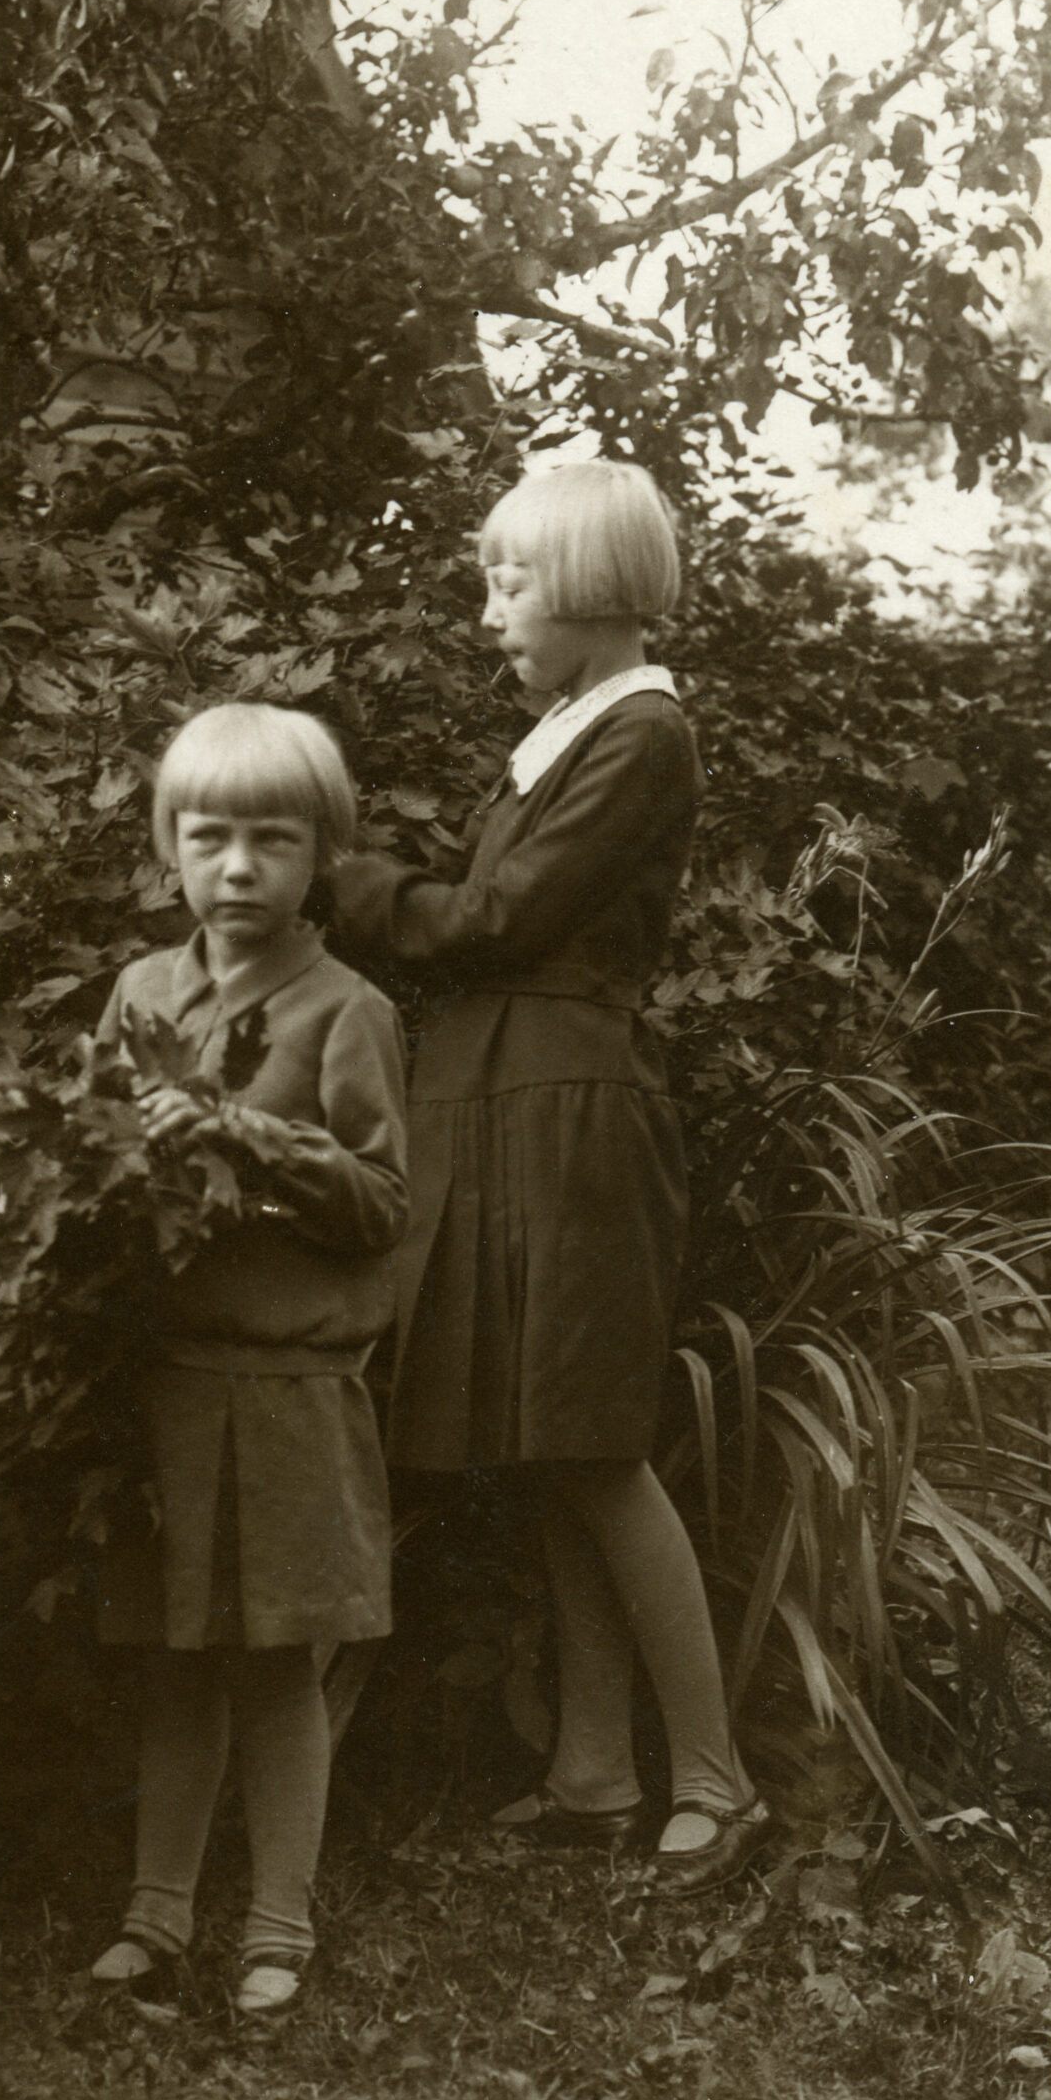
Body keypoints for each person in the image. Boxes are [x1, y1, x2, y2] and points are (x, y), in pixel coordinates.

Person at [328, 460, 768, 1897]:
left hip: (571, 1113)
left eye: (511, 583)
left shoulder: (641, 734)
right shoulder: (571, 735)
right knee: (548, 1439)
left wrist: (335, 878)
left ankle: (716, 1780)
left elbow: (497, 921)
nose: (490, 614)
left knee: (594, 1441)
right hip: (511, 1103)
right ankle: (593, 1772)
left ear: (585, 582)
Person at [89, 704, 406, 2014]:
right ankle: (157, 1917)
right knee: (174, 1655)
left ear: (318, 853)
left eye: (270, 841)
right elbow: (92, 1169)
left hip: (285, 1388)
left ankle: (277, 1923)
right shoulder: (141, 996)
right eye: (207, 837)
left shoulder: (349, 1012)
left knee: (278, 1664)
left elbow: (383, 1203)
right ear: (169, 847)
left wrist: (242, 1137)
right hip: (169, 1384)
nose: (235, 868)